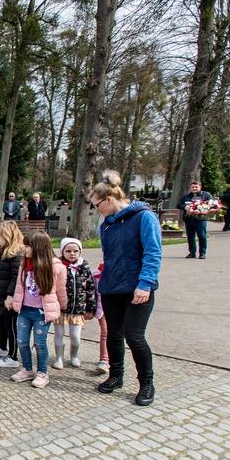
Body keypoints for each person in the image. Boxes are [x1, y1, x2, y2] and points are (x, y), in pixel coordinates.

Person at [90, 169, 162, 406]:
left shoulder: (144, 218)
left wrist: (145, 284)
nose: (96, 210)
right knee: (114, 334)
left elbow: (152, 253)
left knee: (135, 336)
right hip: (112, 288)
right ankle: (116, 375)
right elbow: (109, 257)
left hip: (137, 289)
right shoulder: (107, 226)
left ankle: (146, 383)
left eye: (97, 205)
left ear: (109, 199)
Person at [8, 231, 67, 389]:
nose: (24, 249)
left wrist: (63, 306)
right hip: (24, 310)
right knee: (22, 340)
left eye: (27, 246)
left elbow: (61, 289)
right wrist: (15, 301)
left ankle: (42, 372)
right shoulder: (24, 264)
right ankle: (27, 369)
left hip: (42, 312)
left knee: (40, 343)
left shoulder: (56, 267)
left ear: (38, 247)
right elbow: (20, 287)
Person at [51, 238, 96, 370]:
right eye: (68, 251)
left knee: (75, 336)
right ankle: (59, 357)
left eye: (75, 251)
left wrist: (90, 307)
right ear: (62, 251)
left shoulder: (84, 269)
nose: (72, 254)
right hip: (60, 308)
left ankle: (74, 355)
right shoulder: (58, 267)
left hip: (78, 308)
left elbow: (90, 288)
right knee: (59, 334)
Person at [0, 221, 24, 368]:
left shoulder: (16, 253)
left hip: (8, 296)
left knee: (11, 325)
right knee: (2, 321)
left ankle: (13, 356)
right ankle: (2, 347)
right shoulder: (1, 251)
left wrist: (10, 295)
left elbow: (16, 276)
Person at [177, 181, 213, 259]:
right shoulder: (186, 196)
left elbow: (211, 204)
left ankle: (202, 253)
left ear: (200, 187)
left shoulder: (206, 195)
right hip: (189, 219)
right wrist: (184, 207)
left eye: (196, 187)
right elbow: (179, 205)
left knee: (202, 236)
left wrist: (203, 206)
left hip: (200, 219)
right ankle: (192, 252)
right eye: (193, 187)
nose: (194, 189)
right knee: (190, 236)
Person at [91, 262, 109, 375]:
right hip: (102, 308)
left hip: (119, 307)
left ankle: (116, 359)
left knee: (118, 333)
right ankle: (104, 359)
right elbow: (93, 294)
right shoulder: (96, 274)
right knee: (105, 331)